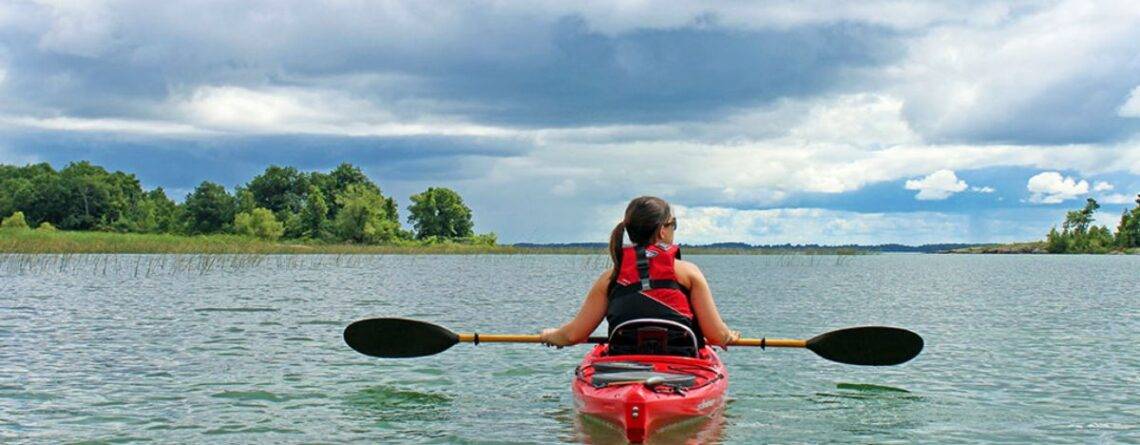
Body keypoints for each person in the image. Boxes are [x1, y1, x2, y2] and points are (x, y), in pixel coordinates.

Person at [539, 196, 740, 351]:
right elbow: (716, 336)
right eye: (673, 225)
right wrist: (729, 335)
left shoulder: (610, 278)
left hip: (624, 366)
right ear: (662, 230)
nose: (673, 230)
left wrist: (551, 335)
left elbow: (572, 335)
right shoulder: (689, 273)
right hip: (681, 366)